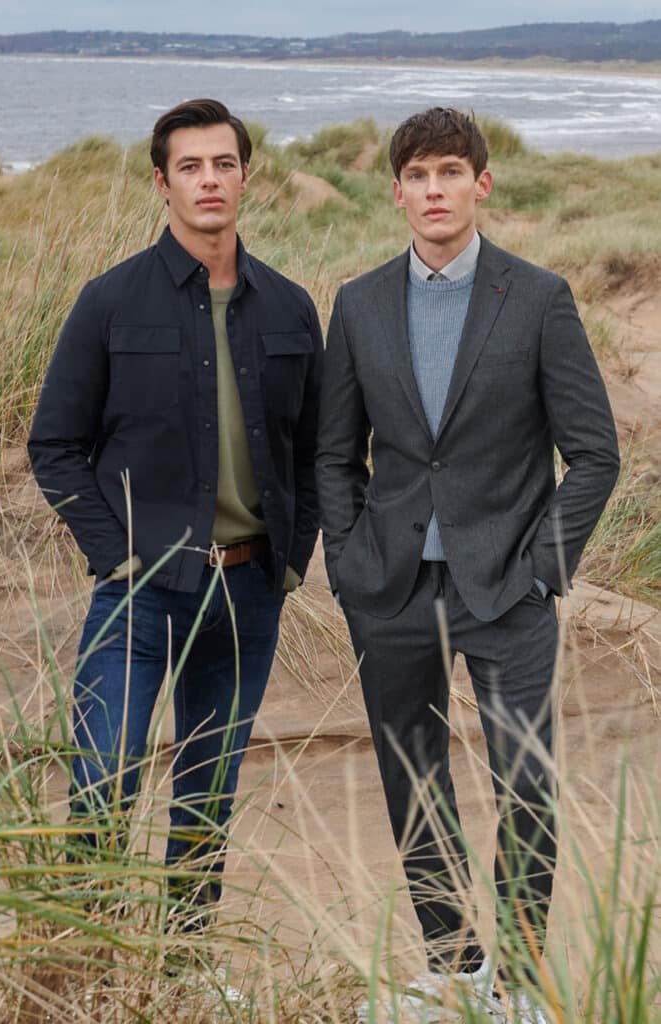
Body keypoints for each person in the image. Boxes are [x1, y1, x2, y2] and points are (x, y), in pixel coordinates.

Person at [316, 107, 618, 1023]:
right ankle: (453, 968)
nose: (434, 190)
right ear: (396, 191)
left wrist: (541, 567)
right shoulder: (359, 303)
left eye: (450, 172)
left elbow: (593, 453)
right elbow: (334, 454)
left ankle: (520, 982)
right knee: (414, 781)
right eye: (417, 175)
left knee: (524, 783)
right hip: (392, 588)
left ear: (480, 183)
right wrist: (350, 563)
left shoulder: (537, 298)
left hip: (508, 591)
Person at [28, 98, 323, 926]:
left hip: (250, 591)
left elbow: (316, 450)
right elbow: (54, 444)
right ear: (162, 183)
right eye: (189, 166)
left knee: (207, 792)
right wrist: (115, 555)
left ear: (245, 177)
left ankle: (185, 964)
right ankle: (87, 957)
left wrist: (291, 558)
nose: (208, 180)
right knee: (104, 778)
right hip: (141, 590)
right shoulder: (109, 300)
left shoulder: (290, 307)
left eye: (223, 164)